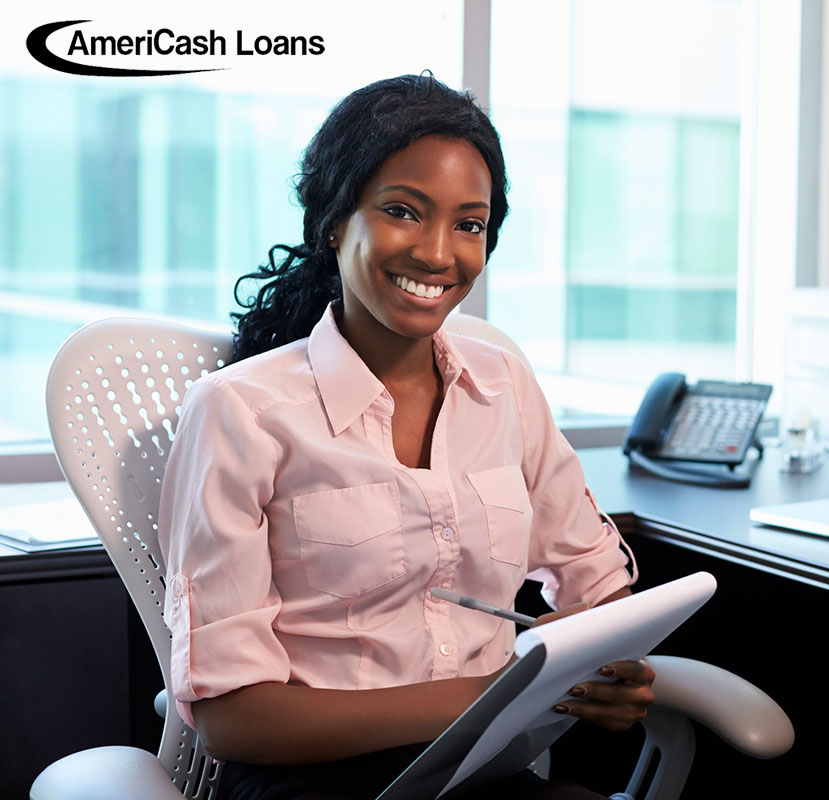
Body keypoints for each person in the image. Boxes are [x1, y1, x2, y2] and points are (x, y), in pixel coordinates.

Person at [158, 74, 653, 800]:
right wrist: (492, 693)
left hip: (483, 774)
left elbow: (598, 580)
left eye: (470, 224)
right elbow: (235, 721)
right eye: (402, 211)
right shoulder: (241, 411)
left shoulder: (504, 386)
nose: (438, 253)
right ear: (333, 221)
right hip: (314, 782)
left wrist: (606, 667)